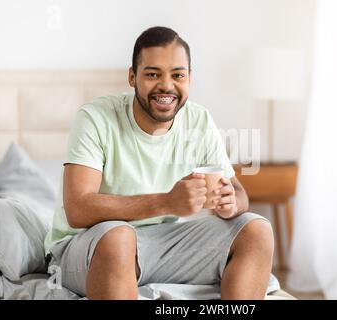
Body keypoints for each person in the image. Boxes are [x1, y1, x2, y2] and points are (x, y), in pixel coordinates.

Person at [44, 26, 274, 300]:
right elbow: (77, 209)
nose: (166, 85)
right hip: (86, 247)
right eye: (153, 74)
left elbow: (238, 192)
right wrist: (167, 202)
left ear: (189, 78)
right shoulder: (95, 118)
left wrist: (231, 202)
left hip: (162, 244)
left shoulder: (198, 120)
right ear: (132, 77)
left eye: (178, 75)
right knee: (119, 237)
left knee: (257, 229)